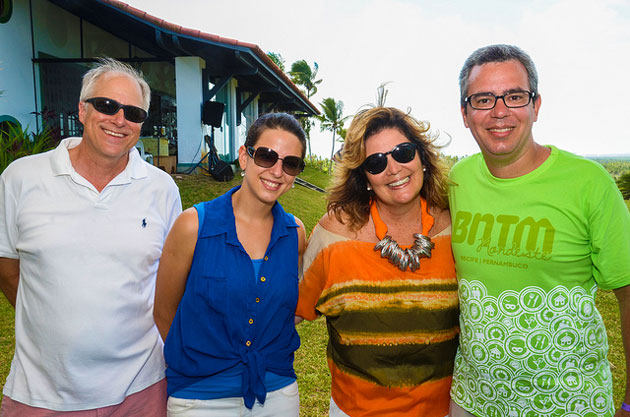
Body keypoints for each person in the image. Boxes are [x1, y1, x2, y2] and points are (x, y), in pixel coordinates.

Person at [448, 44, 630, 417]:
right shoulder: (457, 180)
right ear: (465, 114)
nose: (499, 111)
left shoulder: (589, 184)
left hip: (567, 403)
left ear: (536, 105)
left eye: (514, 96)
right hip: (472, 400)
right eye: (483, 99)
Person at [0, 58, 181, 415]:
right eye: (107, 105)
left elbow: (168, 280)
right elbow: (7, 270)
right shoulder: (20, 179)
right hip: (42, 394)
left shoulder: (162, 189)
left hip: (141, 391)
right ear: (82, 110)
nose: (119, 120)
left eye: (133, 112)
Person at [296, 107, 459, 417]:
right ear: (365, 177)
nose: (393, 168)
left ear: (422, 157)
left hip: (444, 410)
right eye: (376, 162)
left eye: (403, 152)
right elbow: (289, 309)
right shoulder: (334, 235)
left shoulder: (456, 226)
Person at [154, 112, 307, 416]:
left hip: (276, 392)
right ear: (244, 157)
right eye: (266, 156)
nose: (277, 171)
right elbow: (163, 311)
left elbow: (288, 307)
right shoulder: (193, 226)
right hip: (200, 396)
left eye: (290, 163)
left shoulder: (295, 233)